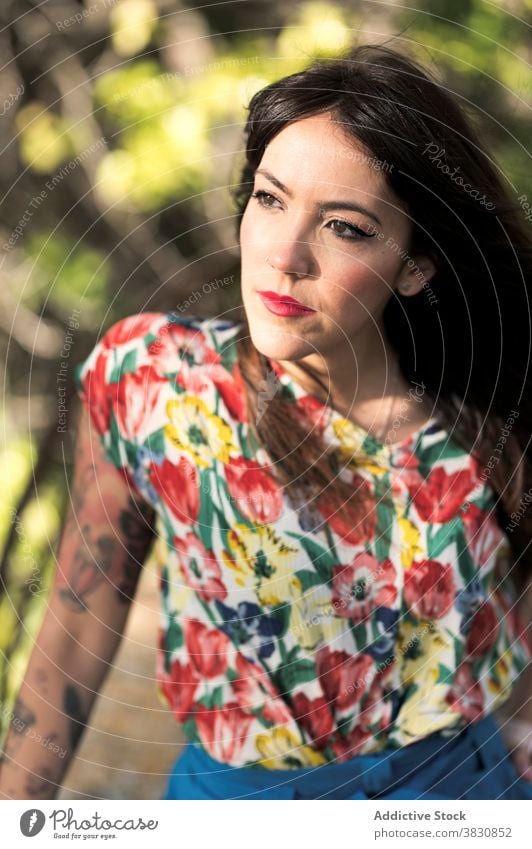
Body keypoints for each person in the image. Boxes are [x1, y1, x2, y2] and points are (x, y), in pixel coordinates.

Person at [1, 41, 532, 801]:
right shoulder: (154, 380)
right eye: (271, 199)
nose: (284, 255)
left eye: (344, 227)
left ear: (416, 264)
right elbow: (77, 628)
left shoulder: (487, 425)